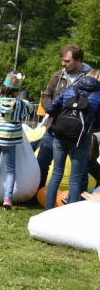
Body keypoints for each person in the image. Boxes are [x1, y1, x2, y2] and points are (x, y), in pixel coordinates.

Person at [37, 44, 93, 189]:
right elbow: (46, 95)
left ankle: (80, 201)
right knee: (42, 162)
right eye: (63, 60)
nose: (63, 64)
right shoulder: (57, 75)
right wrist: (50, 107)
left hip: (79, 132)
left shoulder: (92, 77)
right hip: (54, 128)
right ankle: (36, 194)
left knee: (81, 170)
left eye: (67, 61)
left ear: (78, 60)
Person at [44, 69, 100, 209]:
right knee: (76, 179)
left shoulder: (70, 88)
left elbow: (50, 108)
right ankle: (69, 213)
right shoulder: (98, 96)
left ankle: (48, 211)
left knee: (56, 174)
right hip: (81, 139)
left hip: (60, 135)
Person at [0, 73, 34, 210]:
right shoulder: (20, 104)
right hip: (10, 140)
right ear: (16, 91)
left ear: (3, 88)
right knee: (10, 170)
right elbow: (30, 107)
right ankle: (7, 199)